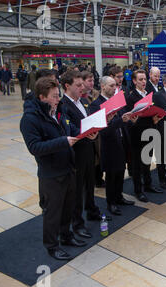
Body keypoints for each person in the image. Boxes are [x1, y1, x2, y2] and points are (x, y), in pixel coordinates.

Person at [20, 78, 87, 260]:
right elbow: (35, 147)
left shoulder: (58, 111)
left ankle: (66, 236)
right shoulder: (30, 119)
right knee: (52, 212)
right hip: (51, 174)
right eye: (54, 96)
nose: (58, 99)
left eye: (58, 95)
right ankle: (51, 245)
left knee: (68, 207)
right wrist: (63, 142)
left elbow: (69, 127)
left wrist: (86, 131)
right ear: (42, 97)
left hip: (68, 168)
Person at [60, 70, 101, 238]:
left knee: (89, 183)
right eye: (78, 85)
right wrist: (87, 131)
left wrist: (96, 128)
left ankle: (91, 209)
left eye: (82, 85)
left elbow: (89, 119)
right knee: (77, 190)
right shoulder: (63, 105)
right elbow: (69, 129)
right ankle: (77, 223)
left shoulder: (83, 101)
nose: (81, 88)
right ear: (67, 86)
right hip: (76, 152)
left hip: (88, 148)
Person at [90, 76, 136, 215]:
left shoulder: (116, 100)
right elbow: (102, 130)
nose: (114, 87)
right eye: (111, 85)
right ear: (102, 86)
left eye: (115, 85)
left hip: (121, 141)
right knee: (111, 176)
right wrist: (119, 121)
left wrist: (130, 119)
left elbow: (122, 120)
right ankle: (111, 203)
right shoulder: (96, 104)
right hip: (108, 144)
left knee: (121, 172)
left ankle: (119, 196)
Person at [123, 69, 163, 202]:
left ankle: (148, 184)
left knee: (147, 162)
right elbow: (129, 119)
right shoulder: (131, 97)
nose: (144, 82)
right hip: (136, 135)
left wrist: (155, 119)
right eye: (140, 79)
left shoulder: (150, 95)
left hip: (149, 132)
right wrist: (135, 120)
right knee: (137, 165)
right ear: (134, 81)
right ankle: (138, 190)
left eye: (145, 79)